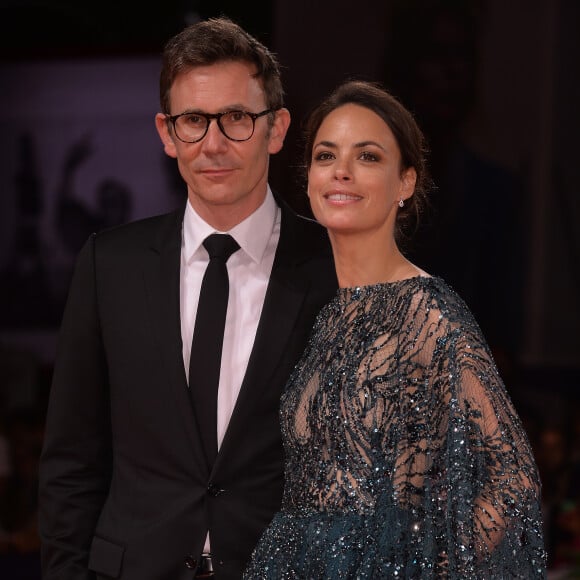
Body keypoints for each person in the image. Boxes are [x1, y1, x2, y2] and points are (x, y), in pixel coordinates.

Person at [38, 17, 337, 580]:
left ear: (276, 129)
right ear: (166, 133)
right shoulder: (110, 264)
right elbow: (71, 462)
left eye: (237, 119)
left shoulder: (335, 270)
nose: (213, 143)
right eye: (194, 121)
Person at [243, 80, 546, 579]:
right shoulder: (323, 311)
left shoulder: (428, 311)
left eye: (367, 156)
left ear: (405, 182)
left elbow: (511, 478)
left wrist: (432, 568)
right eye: (326, 155)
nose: (341, 171)